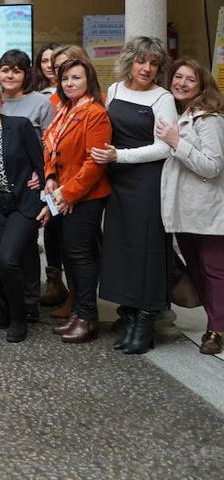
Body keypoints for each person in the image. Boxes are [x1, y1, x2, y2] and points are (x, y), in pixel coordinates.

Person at [94, 36, 177, 354]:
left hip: (147, 182)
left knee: (146, 249)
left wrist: (120, 157)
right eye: (142, 61)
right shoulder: (114, 90)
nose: (147, 68)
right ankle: (128, 314)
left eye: (154, 63)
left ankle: (146, 319)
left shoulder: (163, 98)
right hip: (116, 181)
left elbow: (164, 148)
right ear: (129, 61)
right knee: (121, 247)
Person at [0, 76, 48, 342]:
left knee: (8, 259)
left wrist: (46, 197)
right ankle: (4, 307)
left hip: (23, 203)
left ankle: (19, 317)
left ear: (1, 102)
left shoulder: (19, 126)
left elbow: (41, 164)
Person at [43, 57, 112, 343]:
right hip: (62, 194)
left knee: (82, 257)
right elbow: (50, 148)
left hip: (86, 196)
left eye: (76, 78)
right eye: (66, 78)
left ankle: (87, 317)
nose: (70, 83)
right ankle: (78, 313)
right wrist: (50, 177)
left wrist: (68, 194)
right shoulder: (64, 110)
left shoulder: (95, 113)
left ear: (89, 81)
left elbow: (94, 164)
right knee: (71, 254)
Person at [158, 59, 224, 355]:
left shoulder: (209, 119)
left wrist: (176, 142)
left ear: (202, 86)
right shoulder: (179, 114)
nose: (181, 83)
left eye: (190, 80)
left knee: (213, 270)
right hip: (184, 211)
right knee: (197, 269)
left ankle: (217, 329)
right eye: (178, 77)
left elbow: (212, 166)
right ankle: (217, 320)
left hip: (207, 210)